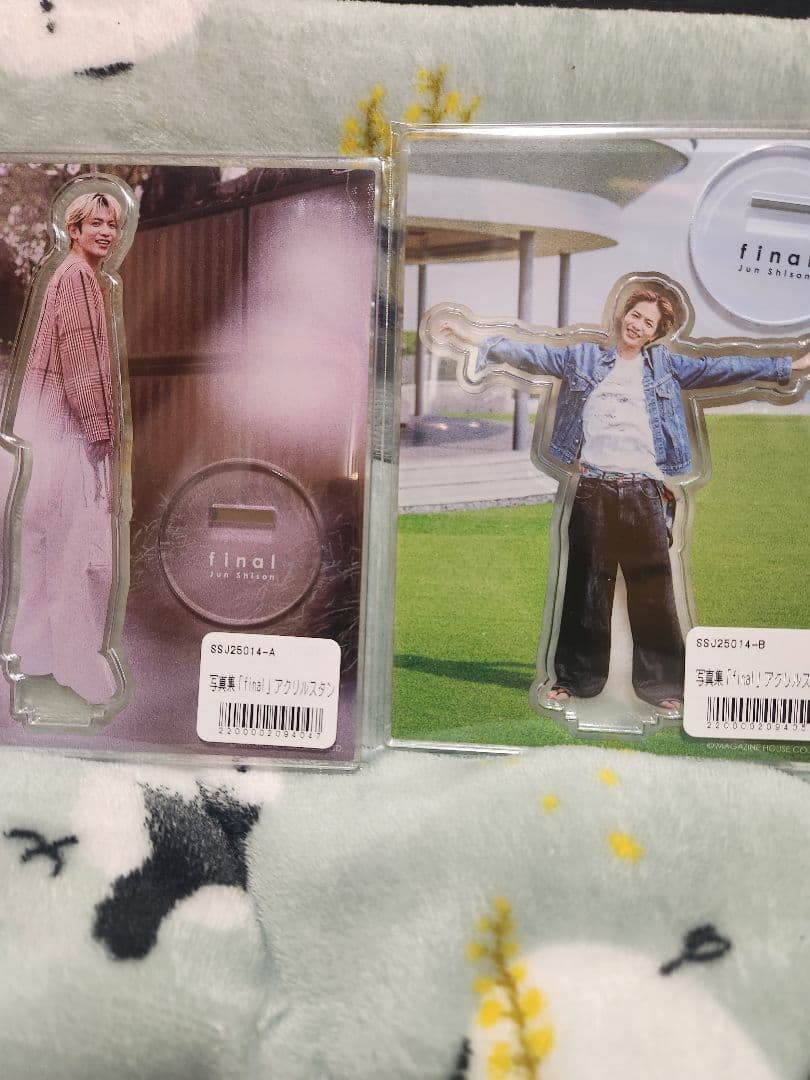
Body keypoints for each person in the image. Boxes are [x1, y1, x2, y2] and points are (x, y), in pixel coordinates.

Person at [434, 278, 810, 714]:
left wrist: (791, 366)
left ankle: (663, 684)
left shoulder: (666, 367)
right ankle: (574, 680)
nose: (637, 325)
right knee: (586, 589)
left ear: (655, 333)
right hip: (593, 488)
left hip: (644, 492)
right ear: (622, 314)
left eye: (648, 323)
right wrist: (467, 336)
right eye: (635, 315)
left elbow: (722, 367)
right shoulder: (582, 358)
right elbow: (528, 353)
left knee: (653, 591)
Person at [11, 190, 122, 703]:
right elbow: (81, 362)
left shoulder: (67, 276)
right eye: (95, 223)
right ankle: (78, 668)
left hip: (45, 439)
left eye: (112, 225)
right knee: (77, 557)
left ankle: (36, 656)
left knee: (44, 550)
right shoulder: (78, 278)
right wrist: (101, 431)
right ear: (73, 230)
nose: (106, 232)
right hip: (70, 437)